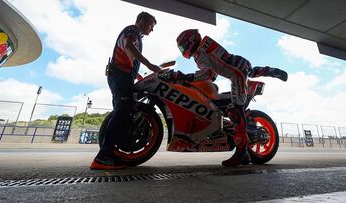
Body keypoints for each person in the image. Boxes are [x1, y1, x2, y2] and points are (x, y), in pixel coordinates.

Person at [175, 29, 287, 167]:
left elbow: (208, 73)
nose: (183, 49)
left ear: (190, 41)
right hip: (241, 64)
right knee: (252, 72)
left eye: (183, 46)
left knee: (235, 113)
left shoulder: (199, 53)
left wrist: (187, 77)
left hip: (237, 74)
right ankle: (273, 71)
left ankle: (241, 153)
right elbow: (215, 70)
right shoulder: (205, 45)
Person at [90, 12, 161, 170]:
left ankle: (110, 155)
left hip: (122, 76)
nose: (152, 30)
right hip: (119, 76)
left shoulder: (138, 37)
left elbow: (128, 58)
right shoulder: (133, 30)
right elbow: (128, 47)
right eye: (151, 25)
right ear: (142, 21)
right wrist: (150, 65)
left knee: (122, 111)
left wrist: (139, 75)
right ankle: (102, 158)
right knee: (123, 110)